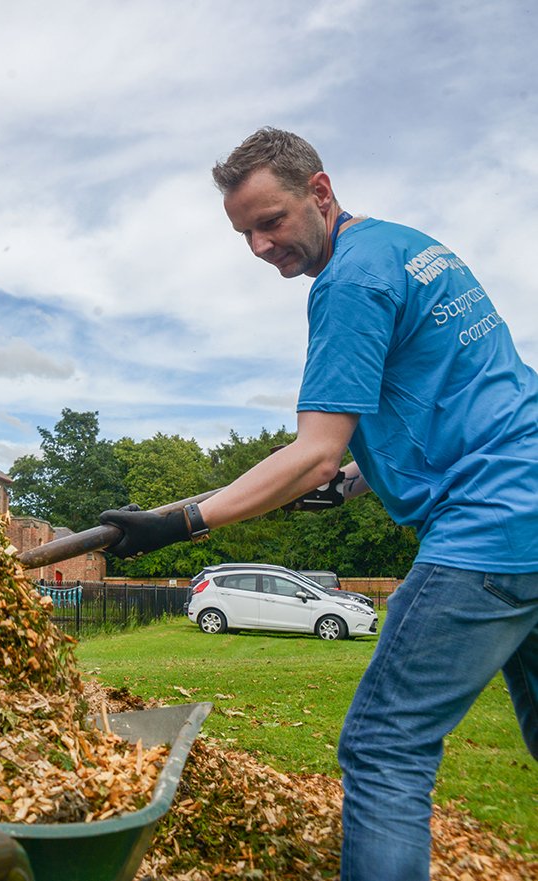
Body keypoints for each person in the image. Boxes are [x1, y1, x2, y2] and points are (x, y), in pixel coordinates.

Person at [99, 127, 538, 880]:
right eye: (245, 233)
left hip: (489, 528)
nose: (262, 246)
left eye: (271, 221)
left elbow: (313, 452)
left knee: (385, 747)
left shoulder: (348, 283)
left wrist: (179, 521)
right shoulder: (412, 247)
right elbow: (447, 397)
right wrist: (362, 479)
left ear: (321, 193)